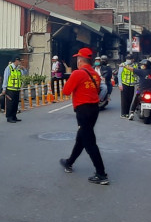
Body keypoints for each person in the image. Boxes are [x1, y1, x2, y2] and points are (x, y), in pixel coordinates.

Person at [58, 48, 108, 185]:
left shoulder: (77, 73)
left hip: (83, 110)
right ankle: (69, 162)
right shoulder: (96, 76)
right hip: (94, 109)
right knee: (82, 137)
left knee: (89, 142)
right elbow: (98, 90)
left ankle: (101, 173)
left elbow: (66, 91)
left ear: (80, 60)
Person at [1, 56, 24, 122]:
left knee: (15, 104)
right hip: (10, 89)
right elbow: (6, 78)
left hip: (17, 89)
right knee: (10, 104)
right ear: (16, 60)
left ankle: (14, 116)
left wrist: (23, 69)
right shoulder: (9, 68)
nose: (20, 62)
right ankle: (9, 117)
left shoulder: (18, 69)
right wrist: (4, 88)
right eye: (19, 61)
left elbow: (24, 75)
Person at [118, 54, 137, 119]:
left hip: (132, 85)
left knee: (130, 99)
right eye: (127, 58)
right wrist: (120, 84)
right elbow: (119, 75)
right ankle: (123, 114)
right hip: (124, 84)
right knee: (124, 99)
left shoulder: (135, 65)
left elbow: (136, 74)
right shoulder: (122, 65)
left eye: (129, 59)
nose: (128, 60)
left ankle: (127, 113)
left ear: (132, 59)